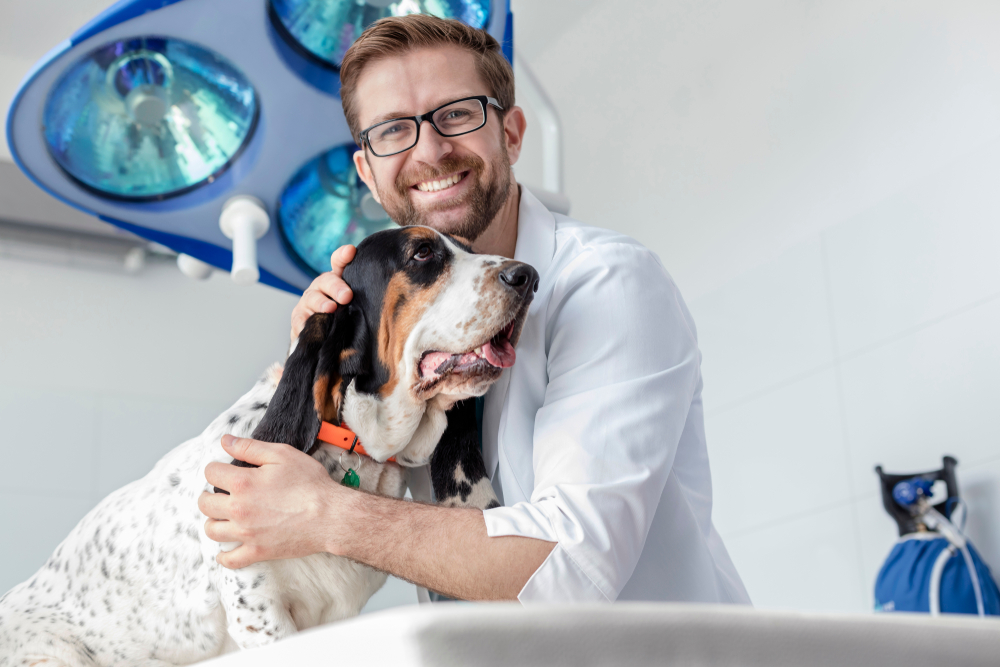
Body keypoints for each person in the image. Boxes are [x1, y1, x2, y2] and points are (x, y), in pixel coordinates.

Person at [199, 14, 749, 605]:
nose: (430, 151)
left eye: (456, 113)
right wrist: (331, 367)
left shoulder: (607, 284)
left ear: (510, 134)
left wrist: (330, 515)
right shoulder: (403, 336)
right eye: (391, 131)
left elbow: (571, 573)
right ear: (367, 171)